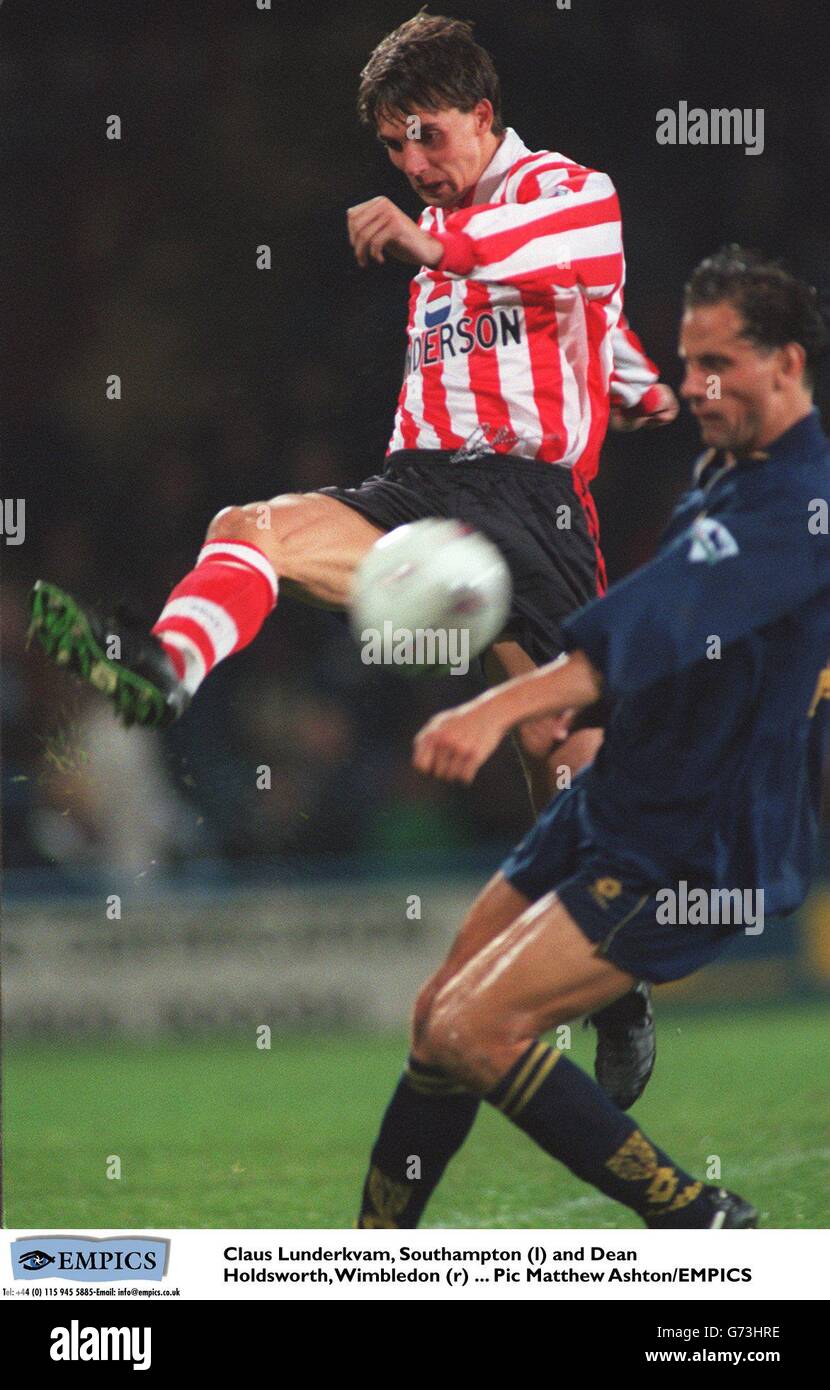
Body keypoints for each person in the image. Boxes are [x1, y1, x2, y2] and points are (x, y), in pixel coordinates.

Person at [28, 11, 675, 1102]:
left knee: (563, 778)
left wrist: (635, 381)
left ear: (481, 114)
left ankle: (614, 991)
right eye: (390, 148)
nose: (411, 167)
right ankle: (163, 668)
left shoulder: (564, 189)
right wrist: (635, 377)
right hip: (414, 487)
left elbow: (579, 260)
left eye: (425, 137)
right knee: (252, 525)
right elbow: (573, 309)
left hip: (533, 509)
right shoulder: (449, 239)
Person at [355, 246, 830, 1229]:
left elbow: (659, 617)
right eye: (684, 361)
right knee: (436, 1019)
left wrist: (496, 705)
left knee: (476, 1027)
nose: (689, 386)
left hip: (695, 833)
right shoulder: (724, 474)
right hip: (626, 789)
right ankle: (371, 1256)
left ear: (786, 364)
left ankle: (700, 1219)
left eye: (716, 365)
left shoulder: (798, 500)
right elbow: (687, 640)